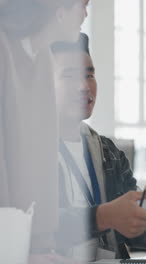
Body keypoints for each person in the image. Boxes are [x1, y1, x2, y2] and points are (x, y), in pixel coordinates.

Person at [51, 33, 146, 262]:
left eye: (89, 74)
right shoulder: (25, 151)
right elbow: (34, 229)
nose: (83, 86)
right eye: (69, 76)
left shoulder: (108, 152)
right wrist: (103, 216)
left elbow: (136, 239)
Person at [0, 0, 90, 257]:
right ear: (58, 10)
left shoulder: (42, 57)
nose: (86, 13)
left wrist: (41, 245)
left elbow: (40, 163)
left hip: (23, 240)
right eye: (82, 5)